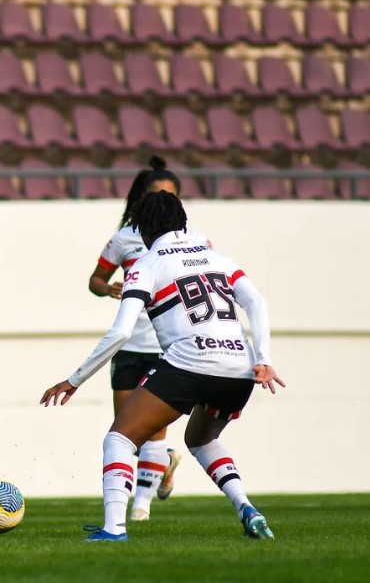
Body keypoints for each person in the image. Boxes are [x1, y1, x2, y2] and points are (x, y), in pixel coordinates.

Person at [41, 190, 285, 542]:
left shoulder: (146, 266)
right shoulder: (219, 259)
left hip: (190, 363)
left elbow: (122, 331)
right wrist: (263, 359)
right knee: (200, 440)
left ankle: (114, 528)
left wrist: (74, 379)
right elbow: (257, 302)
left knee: (119, 439)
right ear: (183, 222)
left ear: (142, 230)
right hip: (240, 368)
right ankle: (247, 508)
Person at [88, 156, 194, 521]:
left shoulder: (191, 241)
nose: (163, 200)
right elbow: (95, 281)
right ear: (142, 197)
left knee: (153, 429)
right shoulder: (125, 239)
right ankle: (164, 463)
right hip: (129, 346)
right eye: (157, 193)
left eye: (170, 195)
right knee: (127, 431)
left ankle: (141, 509)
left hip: (166, 348)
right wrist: (109, 288)